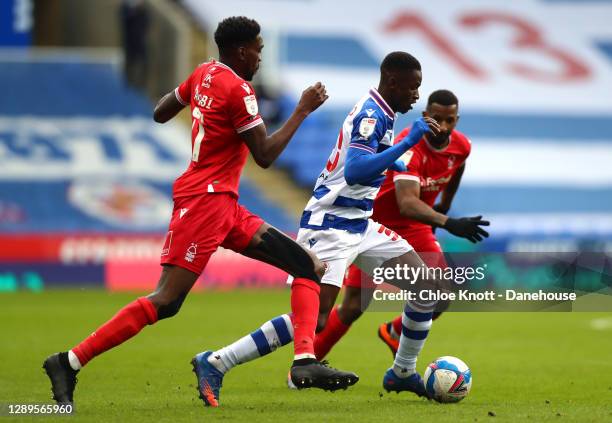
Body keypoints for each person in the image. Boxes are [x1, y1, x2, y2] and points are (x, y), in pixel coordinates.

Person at [42, 16, 357, 408]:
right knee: (166, 301)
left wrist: (194, 103)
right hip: (205, 205)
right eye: (258, 49)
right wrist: (302, 110)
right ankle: (69, 361)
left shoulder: (204, 72)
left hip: (224, 203)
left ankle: (304, 361)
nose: (260, 57)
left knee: (308, 266)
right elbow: (264, 156)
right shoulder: (240, 90)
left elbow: (160, 112)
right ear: (242, 51)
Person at [194, 51, 447, 400]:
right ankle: (218, 361)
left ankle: (402, 372)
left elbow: (362, 169)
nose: (417, 95)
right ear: (392, 81)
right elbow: (357, 170)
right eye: (413, 88)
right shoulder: (372, 115)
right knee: (316, 320)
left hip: (359, 223)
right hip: (331, 224)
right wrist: (408, 142)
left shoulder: (384, 113)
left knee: (426, 288)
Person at [313, 89, 489, 362]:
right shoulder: (410, 145)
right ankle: (305, 364)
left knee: (441, 295)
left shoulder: (462, 146)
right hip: (378, 224)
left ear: (457, 119)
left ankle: (395, 333)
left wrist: (444, 205)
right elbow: (407, 203)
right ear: (425, 115)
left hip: (416, 226)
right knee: (353, 307)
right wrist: (448, 222)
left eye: (450, 120)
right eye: (437, 119)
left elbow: (457, 168)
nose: (443, 127)